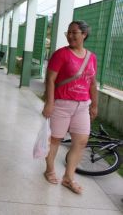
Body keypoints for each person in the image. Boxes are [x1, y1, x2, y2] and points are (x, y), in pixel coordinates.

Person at [42, 21, 98, 194]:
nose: (71, 35)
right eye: (69, 32)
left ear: (84, 34)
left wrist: (94, 105)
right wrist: (50, 103)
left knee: (81, 142)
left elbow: (92, 82)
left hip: (82, 105)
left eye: (75, 32)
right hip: (62, 104)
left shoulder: (92, 57)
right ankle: (50, 170)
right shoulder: (61, 54)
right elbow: (50, 79)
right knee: (56, 140)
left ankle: (68, 177)